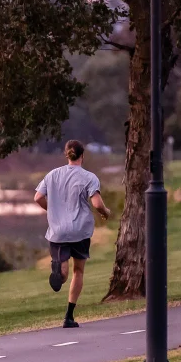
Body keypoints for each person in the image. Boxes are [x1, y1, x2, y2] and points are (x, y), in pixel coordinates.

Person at [34, 139, 111, 328]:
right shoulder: (89, 177)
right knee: (78, 271)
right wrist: (105, 213)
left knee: (63, 273)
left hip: (58, 230)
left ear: (66, 155)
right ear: (82, 156)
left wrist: (51, 210)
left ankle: (58, 270)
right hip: (80, 230)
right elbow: (97, 204)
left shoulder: (52, 175)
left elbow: (37, 197)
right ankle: (68, 316)